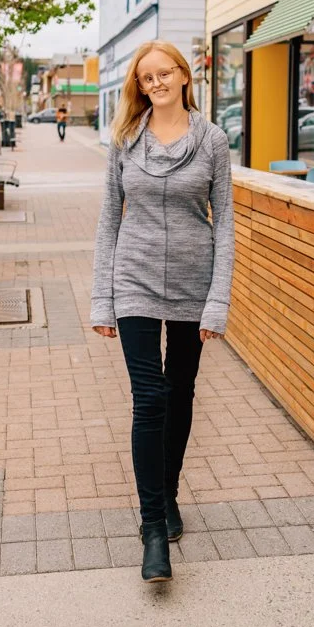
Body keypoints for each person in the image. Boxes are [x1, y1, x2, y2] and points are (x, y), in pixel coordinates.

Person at [91, 40, 234, 584]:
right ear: (139, 86)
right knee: (149, 398)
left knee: (180, 392)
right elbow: (109, 219)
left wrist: (217, 301)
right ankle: (153, 527)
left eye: (164, 72)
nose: (157, 83)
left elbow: (227, 224)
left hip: (194, 285)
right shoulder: (126, 139)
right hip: (134, 280)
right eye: (146, 77)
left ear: (183, 74)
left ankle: (169, 493)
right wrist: (102, 299)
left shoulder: (213, 140)